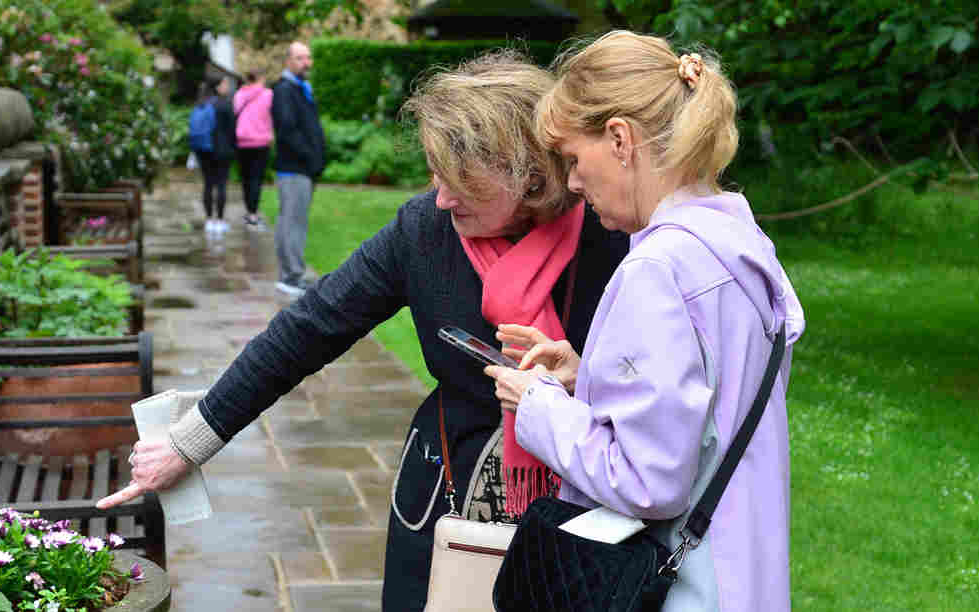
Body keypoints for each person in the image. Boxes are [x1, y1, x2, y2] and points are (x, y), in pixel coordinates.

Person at [99, 51, 631, 611]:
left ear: (528, 175)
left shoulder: (610, 235)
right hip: (443, 503)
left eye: (462, 182)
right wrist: (189, 443)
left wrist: (584, 379)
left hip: (579, 514)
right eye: (436, 174)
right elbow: (307, 329)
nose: (443, 197)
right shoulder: (425, 228)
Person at [483, 31, 805, 612]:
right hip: (744, 572)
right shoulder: (743, 245)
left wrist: (538, 404)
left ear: (620, 139)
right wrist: (589, 376)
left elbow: (646, 481)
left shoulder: (658, 268)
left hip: (682, 587)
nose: (574, 183)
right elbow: (714, 409)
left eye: (574, 160)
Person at [270, 41, 325, 296]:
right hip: (294, 169)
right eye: (301, 58)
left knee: (290, 221)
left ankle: (289, 274)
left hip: (300, 169)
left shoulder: (300, 88)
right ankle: (291, 277)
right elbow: (287, 131)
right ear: (288, 61)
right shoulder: (285, 91)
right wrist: (310, 157)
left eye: (308, 58)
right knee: (293, 223)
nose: (307, 63)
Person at [190, 77, 237, 235]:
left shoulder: (201, 104)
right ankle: (221, 220)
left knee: (208, 184)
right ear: (217, 87)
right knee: (222, 185)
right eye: (225, 84)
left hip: (204, 150)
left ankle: (209, 220)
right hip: (222, 150)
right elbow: (232, 129)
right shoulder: (225, 105)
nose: (228, 86)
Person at [233, 70, 274, 231]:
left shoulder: (239, 95)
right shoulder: (268, 95)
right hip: (261, 141)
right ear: (260, 78)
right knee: (256, 178)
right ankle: (253, 214)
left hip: (242, 142)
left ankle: (248, 210)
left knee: (246, 178)